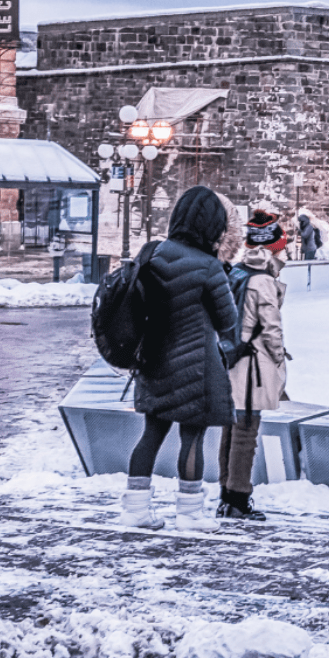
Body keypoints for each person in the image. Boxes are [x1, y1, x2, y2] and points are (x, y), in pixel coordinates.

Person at [119, 186, 240, 532]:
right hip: (196, 369)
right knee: (192, 440)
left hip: (153, 363)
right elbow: (227, 322)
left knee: (150, 436)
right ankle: (189, 515)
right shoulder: (209, 267)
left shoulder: (151, 253)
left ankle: (136, 509)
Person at [217, 213, 290, 521]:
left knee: (231, 430)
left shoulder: (237, 272)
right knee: (246, 432)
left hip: (233, 361)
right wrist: (278, 360)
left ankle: (226, 495)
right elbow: (272, 330)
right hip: (253, 368)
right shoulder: (263, 281)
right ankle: (238, 499)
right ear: (273, 247)